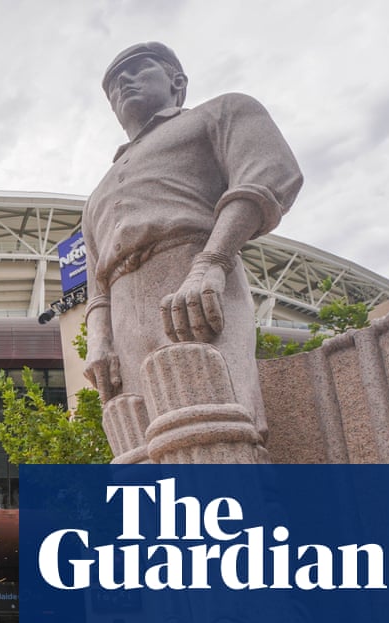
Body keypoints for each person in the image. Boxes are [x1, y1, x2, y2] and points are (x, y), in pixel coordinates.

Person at [82, 42, 303, 434]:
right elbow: (95, 286)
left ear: (177, 81)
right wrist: (99, 342)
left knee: (216, 419)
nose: (123, 83)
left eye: (137, 69)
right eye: (114, 83)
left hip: (188, 274)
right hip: (122, 309)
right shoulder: (97, 193)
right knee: (139, 440)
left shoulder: (219, 112)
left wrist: (211, 263)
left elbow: (266, 175)